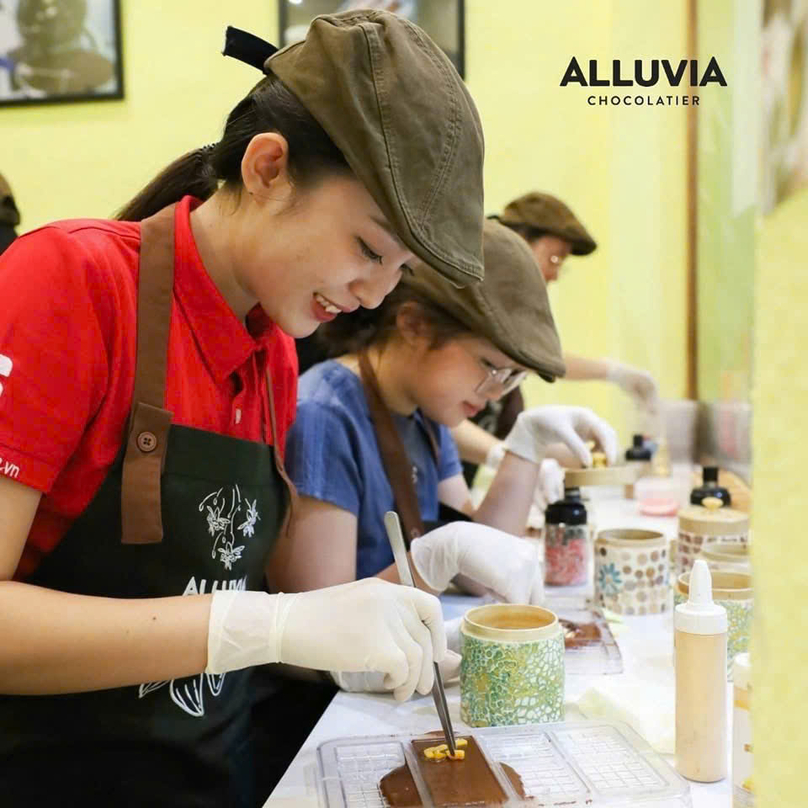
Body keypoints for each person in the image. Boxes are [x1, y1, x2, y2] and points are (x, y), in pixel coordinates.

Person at [0, 14, 487, 807]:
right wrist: (255, 627)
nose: (375, 294)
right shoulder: (69, 283)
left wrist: (408, 591)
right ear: (267, 168)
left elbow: (291, 614)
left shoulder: (274, 350)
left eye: (400, 270)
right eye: (369, 249)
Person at [275, 220, 617, 690]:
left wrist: (525, 448)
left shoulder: (424, 415)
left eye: (513, 378)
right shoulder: (324, 417)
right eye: (491, 366)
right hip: (321, 710)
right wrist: (435, 557)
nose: (496, 393)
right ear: (413, 325)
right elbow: (319, 634)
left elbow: (484, 573)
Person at [455, 191, 661, 489]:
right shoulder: (465, 297)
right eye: (553, 258)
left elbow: (541, 360)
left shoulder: (510, 311)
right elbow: (437, 415)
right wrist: (502, 456)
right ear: (518, 243)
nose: (554, 274)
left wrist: (563, 453)